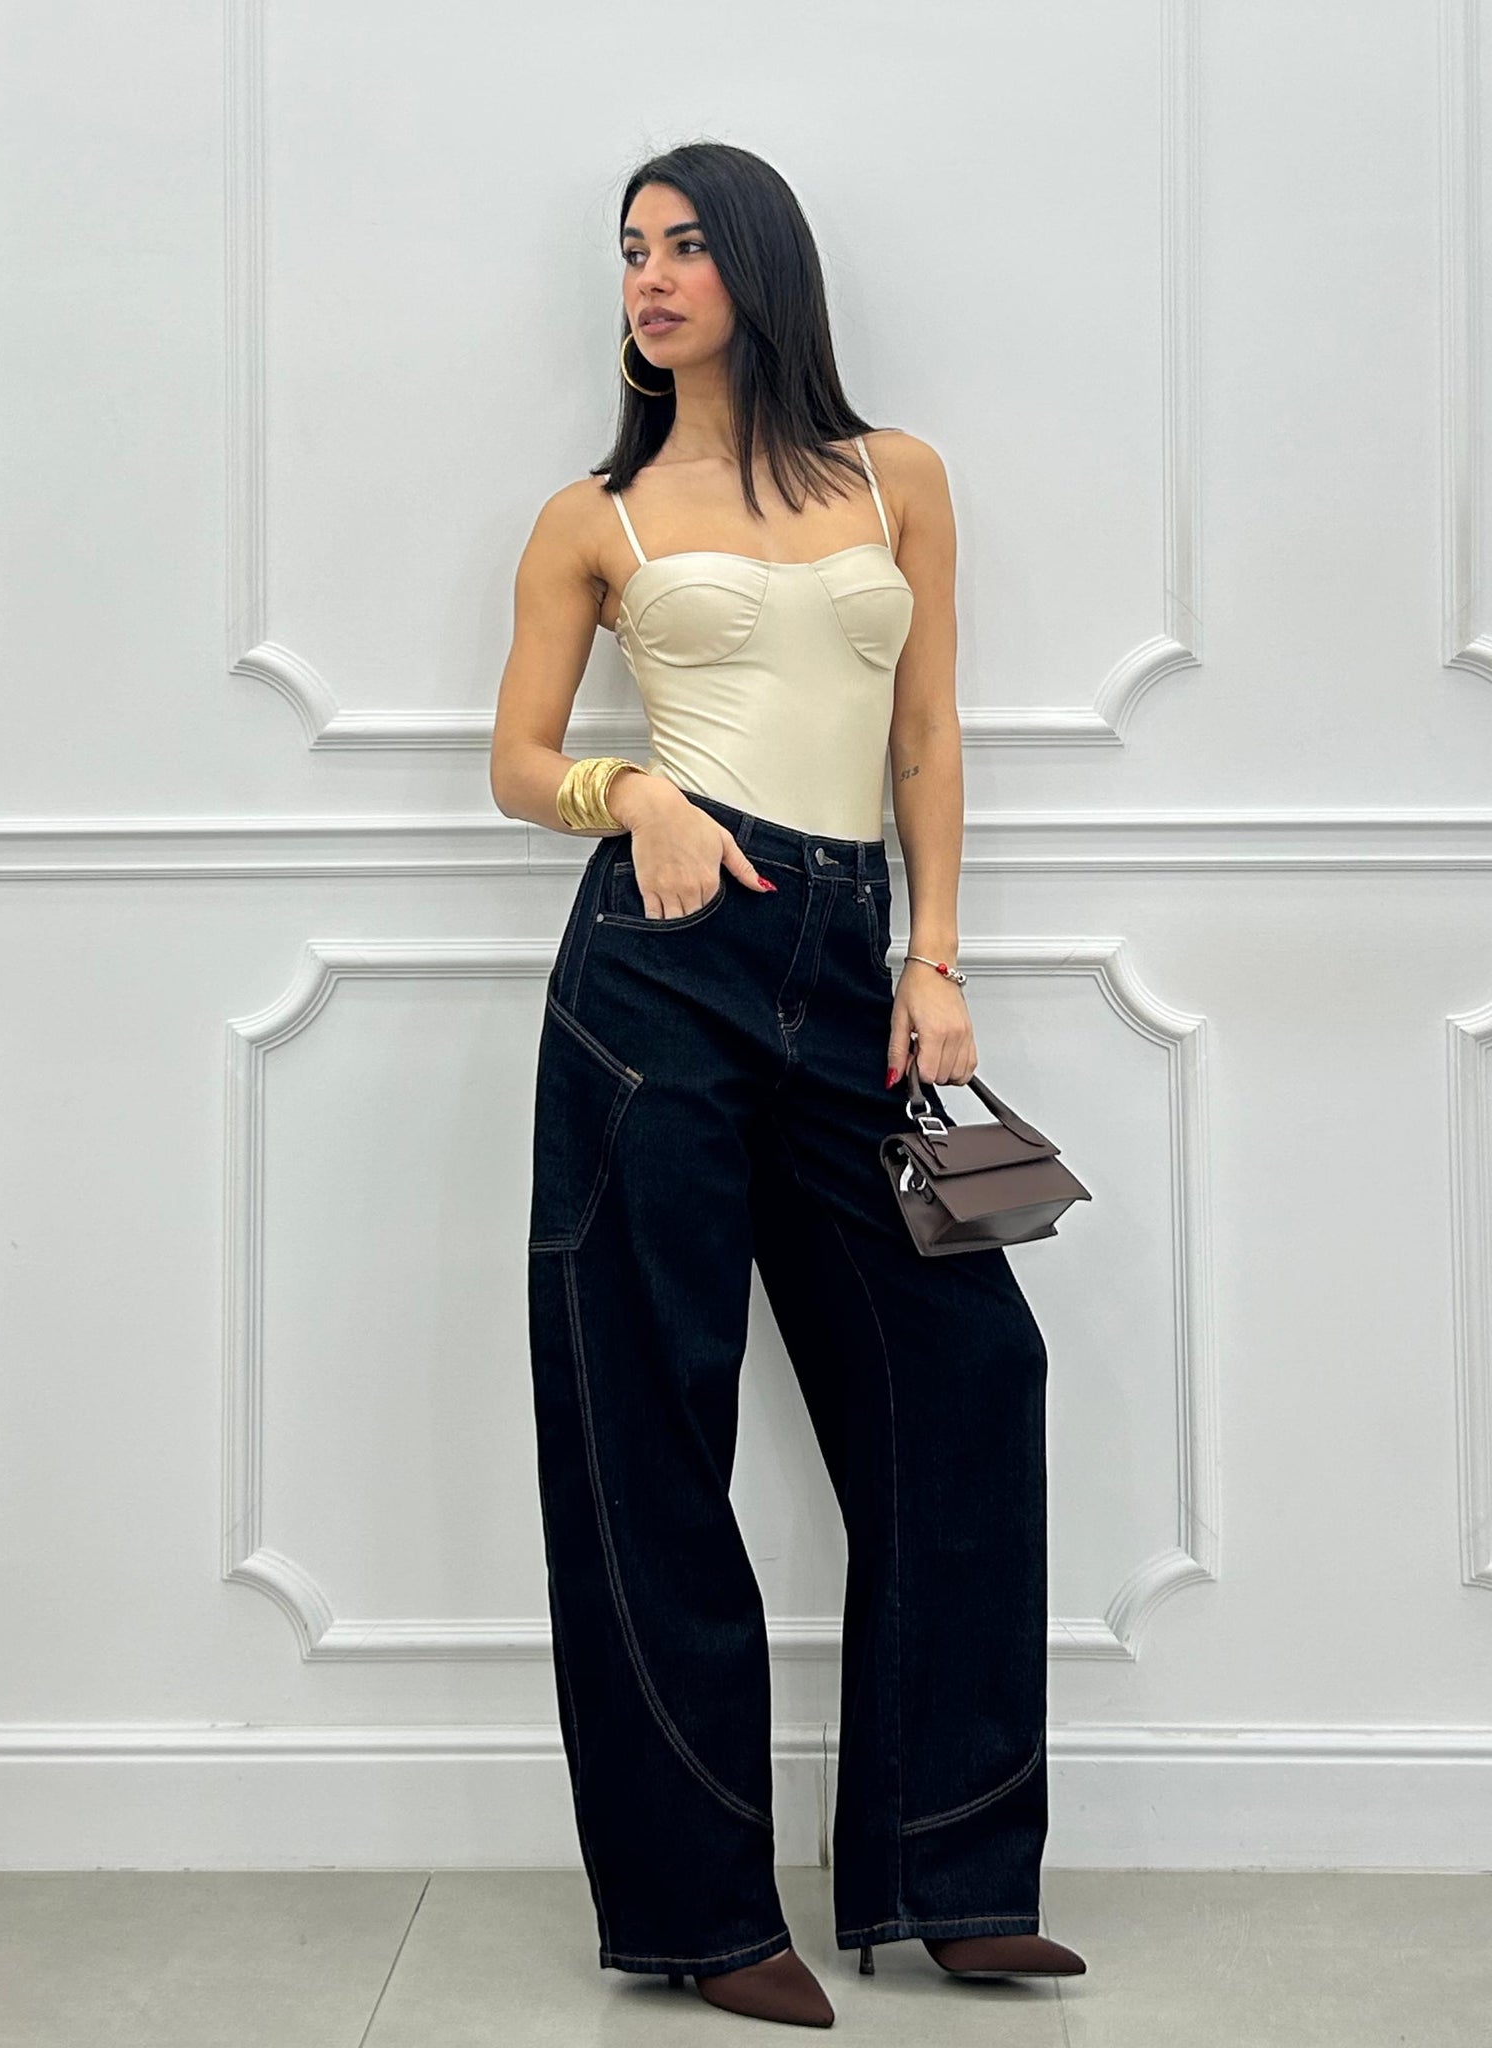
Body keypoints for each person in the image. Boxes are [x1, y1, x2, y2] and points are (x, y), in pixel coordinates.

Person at [490, 141, 1086, 2029]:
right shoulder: (595, 515)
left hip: (850, 969)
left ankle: (951, 1875)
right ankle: (700, 1910)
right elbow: (515, 759)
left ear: (762, 267)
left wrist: (934, 961)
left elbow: (927, 737)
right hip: (659, 967)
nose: (651, 278)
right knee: (646, 1423)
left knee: (968, 1378)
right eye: (631, 253)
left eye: (685, 246)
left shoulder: (896, 479)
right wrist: (634, 792)